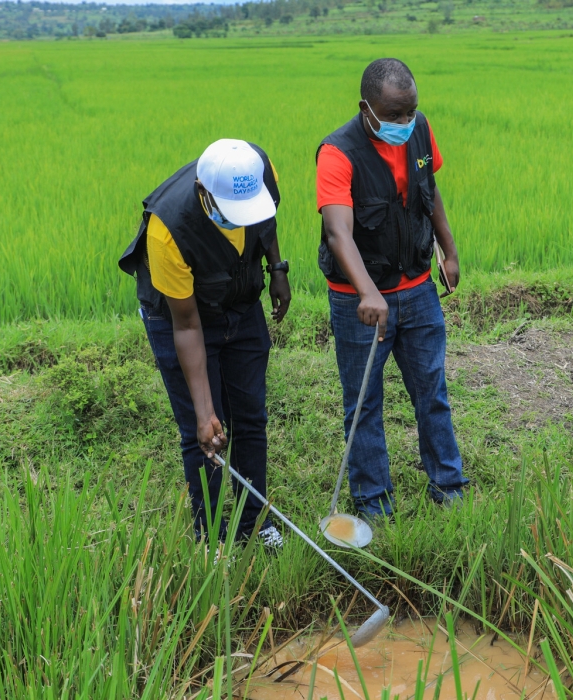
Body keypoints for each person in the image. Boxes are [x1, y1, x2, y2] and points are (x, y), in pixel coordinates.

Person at [119, 139, 292, 549]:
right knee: (206, 435)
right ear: (204, 194)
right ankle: (210, 537)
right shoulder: (169, 229)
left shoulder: (258, 170)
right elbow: (187, 326)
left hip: (240, 301)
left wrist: (276, 268)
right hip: (181, 318)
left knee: (251, 417)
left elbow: (265, 221)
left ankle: (255, 524)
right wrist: (204, 412)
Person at [316, 58, 469, 520]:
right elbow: (337, 232)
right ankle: (373, 504)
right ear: (367, 108)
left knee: (432, 391)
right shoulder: (338, 152)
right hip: (358, 300)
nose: (405, 123)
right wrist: (367, 292)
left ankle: (449, 487)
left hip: (419, 287)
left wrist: (449, 249)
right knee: (363, 404)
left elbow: (430, 189)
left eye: (411, 112)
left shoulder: (419, 129)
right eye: (395, 115)